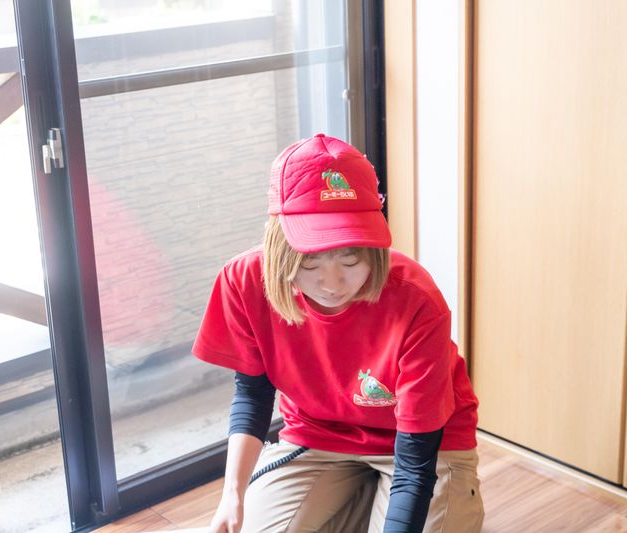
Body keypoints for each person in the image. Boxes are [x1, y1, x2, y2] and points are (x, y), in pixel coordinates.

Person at [193, 133, 484, 532]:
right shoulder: (243, 281)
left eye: (351, 259)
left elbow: (416, 463)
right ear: (280, 247)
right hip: (318, 437)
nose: (332, 284)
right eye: (310, 263)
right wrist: (232, 494)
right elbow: (253, 394)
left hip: (428, 446)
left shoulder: (417, 299)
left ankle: (371, 503)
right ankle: (364, 501)